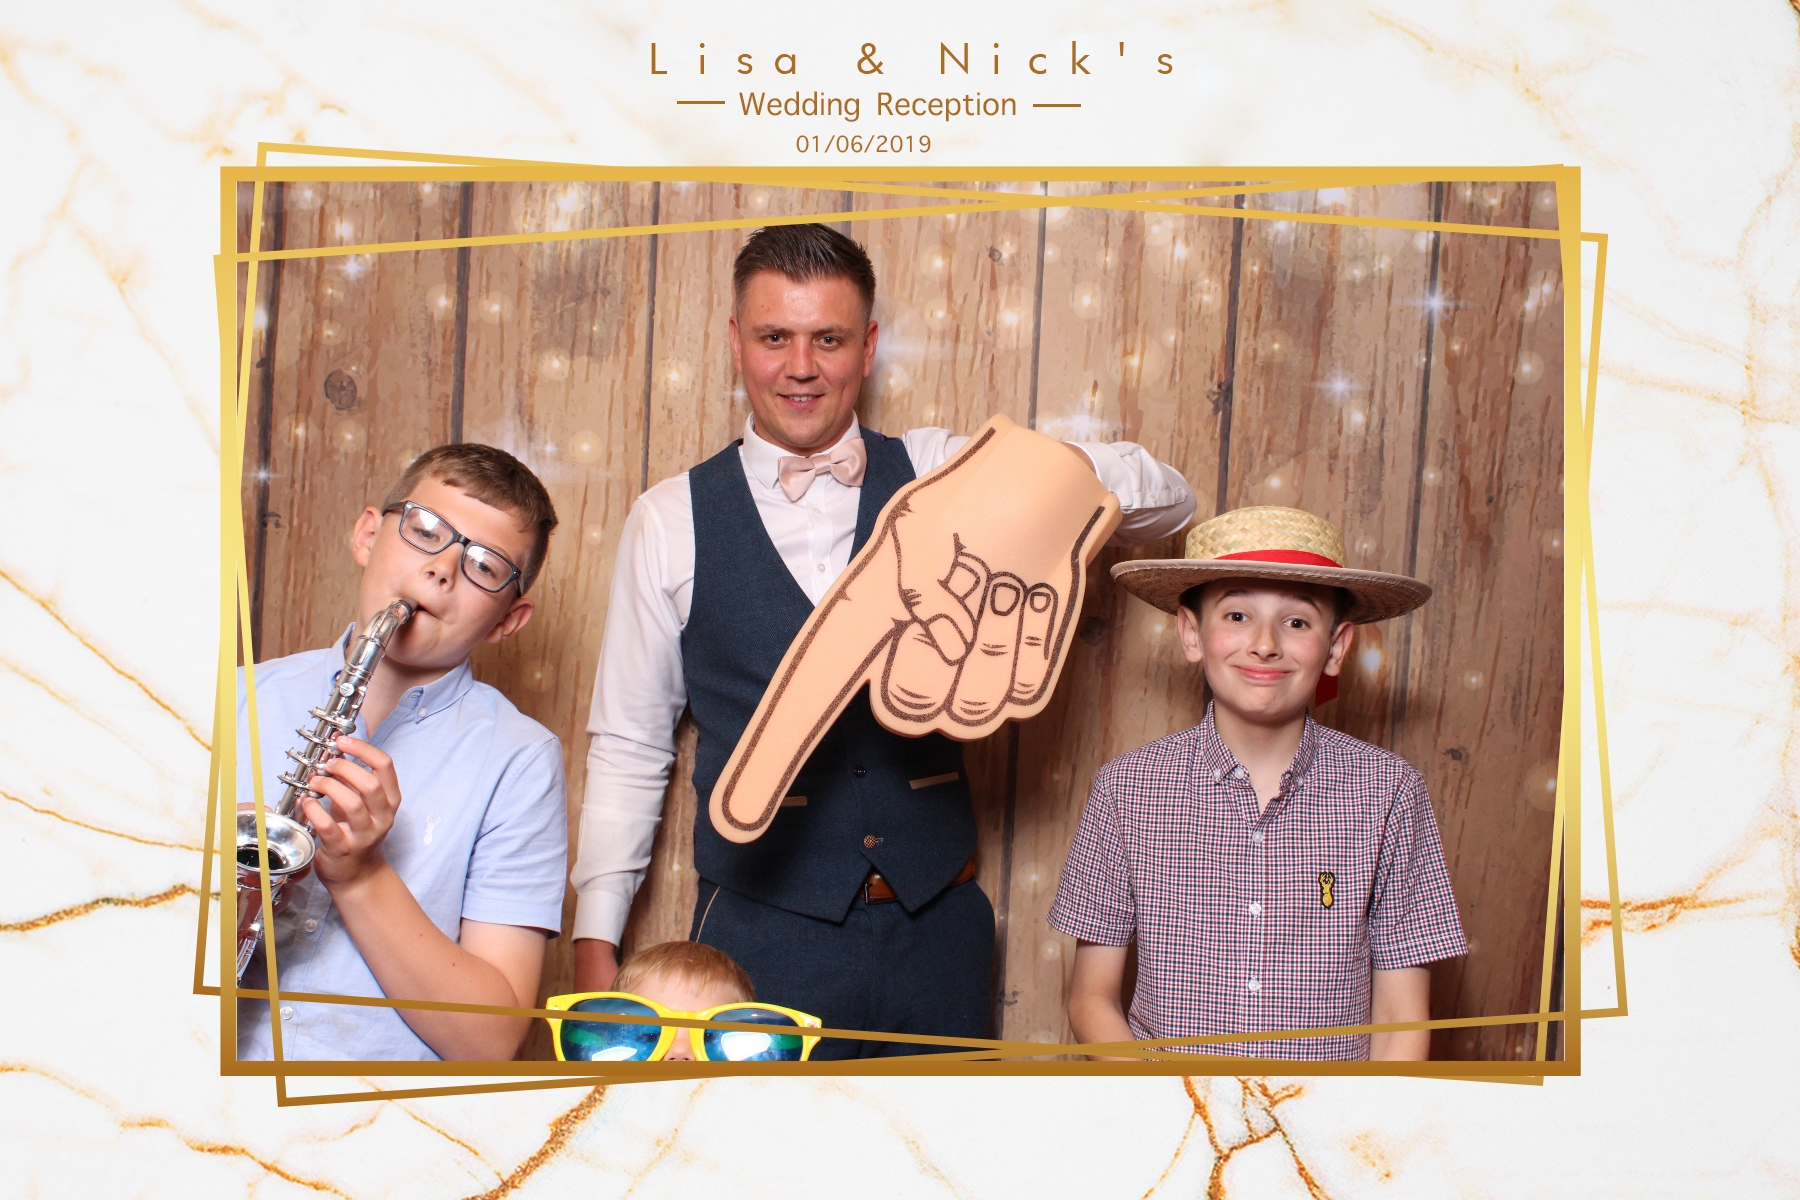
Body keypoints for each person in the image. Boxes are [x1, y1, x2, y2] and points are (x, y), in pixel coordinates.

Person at [571, 222, 1197, 1057]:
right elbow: (630, 744)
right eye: (775, 337)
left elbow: (1170, 500)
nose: (801, 366)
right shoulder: (668, 518)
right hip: (755, 941)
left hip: (939, 934)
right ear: (735, 342)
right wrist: (595, 942)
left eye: (828, 339)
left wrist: (1028, 480)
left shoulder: (943, 469)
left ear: (867, 348)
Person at [1051, 505, 1466, 1061]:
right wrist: (1169, 1100)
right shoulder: (1127, 789)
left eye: (1297, 622)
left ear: (1336, 647)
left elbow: (1401, 1022)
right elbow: (1092, 999)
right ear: (1192, 634)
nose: (1265, 643)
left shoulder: (1390, 792)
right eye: (1238, 616)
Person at [237, 444, 568, 1061]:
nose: (441, 570)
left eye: (485, 566)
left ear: (507, 620)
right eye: (425, 531)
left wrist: (362, 875)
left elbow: (490, 1041)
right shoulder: (233, 700)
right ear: (368, 536)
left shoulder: (521, 760)